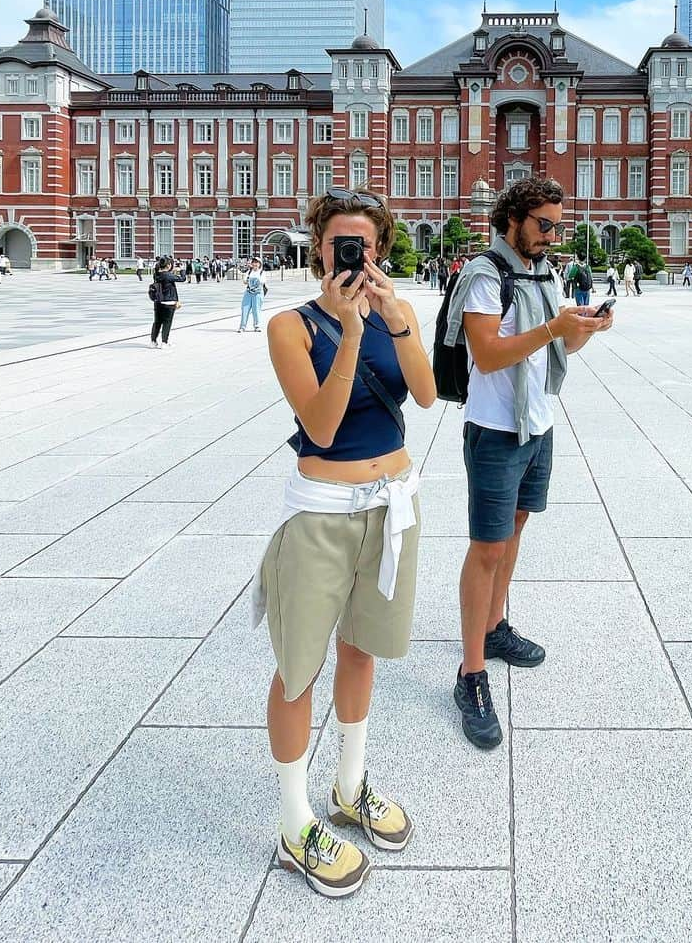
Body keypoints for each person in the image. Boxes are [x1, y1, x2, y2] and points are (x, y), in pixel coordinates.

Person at [254, 188, 435, 895]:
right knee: (298, 668)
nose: (351, 256)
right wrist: (350, 331)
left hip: (392, 505)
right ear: (320, 248)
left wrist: (397, 323)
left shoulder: (397, 313)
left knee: (361, 650)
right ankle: (294, 820)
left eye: (364, 244)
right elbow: (323, 427)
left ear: (381, 250)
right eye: (338, 244)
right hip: (323, 515)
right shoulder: (289, 327)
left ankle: (350, 785)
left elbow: (423, 396)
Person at [443, 178, 610, 749]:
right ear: (513, 218)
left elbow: (555, 352)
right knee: (486, 547)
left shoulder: (543, 272)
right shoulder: (485, 275)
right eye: (545, 224)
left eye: (559, 226)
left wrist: (580, 330)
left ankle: (492, 629)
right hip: (495, 430)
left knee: (513, 534)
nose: (554, 235)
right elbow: (487, 356)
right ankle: (471, 674)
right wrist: (554, 327)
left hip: (537, 426)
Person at [149, 256, 187, 348]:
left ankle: (153, 341)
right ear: (169, 265)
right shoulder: (168, 275)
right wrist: (182, 270)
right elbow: (182, 279)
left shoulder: (156, 274)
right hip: (169, 302)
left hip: (158, 301)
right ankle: (164, 342)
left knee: (157, 322)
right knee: (167, 322)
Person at [240, 256, 267, 332]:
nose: (255, 264)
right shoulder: (248, 272)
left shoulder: (262, 272)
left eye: (256, 262)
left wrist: (254, 281)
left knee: (256, 310)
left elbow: (262, 282)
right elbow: (244, 281)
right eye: (253, 262)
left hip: (258, 293)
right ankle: (242, 326)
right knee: (245, 309)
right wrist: (249, 281)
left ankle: (257, 326)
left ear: (260, 264)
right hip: (248, 293)